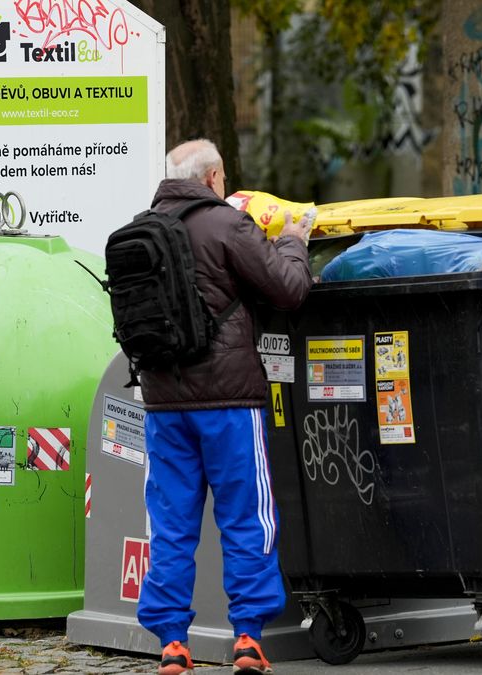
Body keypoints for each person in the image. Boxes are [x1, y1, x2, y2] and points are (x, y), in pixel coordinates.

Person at [136, 139, 313, 675]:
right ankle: (248, 639)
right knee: (246, 517)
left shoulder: (140, 230)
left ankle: (171, 643)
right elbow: (287, 289)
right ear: (213, 178)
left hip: (163, 402)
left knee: (171, 523)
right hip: (230, 400)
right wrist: (293, 242)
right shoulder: (225, 225)